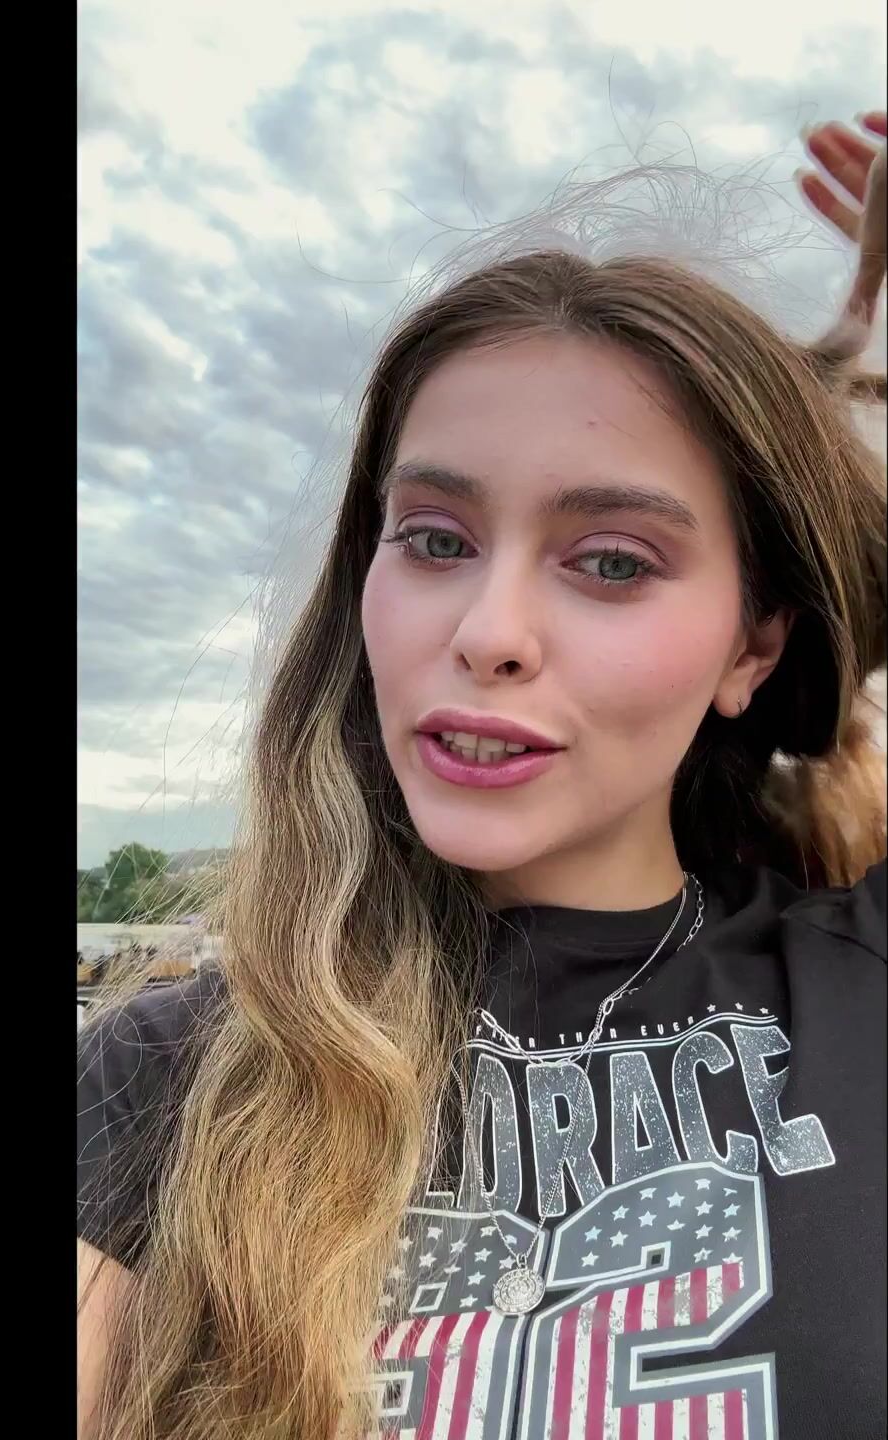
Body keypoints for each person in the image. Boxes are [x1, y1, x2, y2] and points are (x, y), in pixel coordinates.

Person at [77, 111, 887, 1440]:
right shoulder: (172, 1071)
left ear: (752, 646)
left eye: (612, 561)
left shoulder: (862, 987)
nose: (487, 632)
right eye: (436, 538)